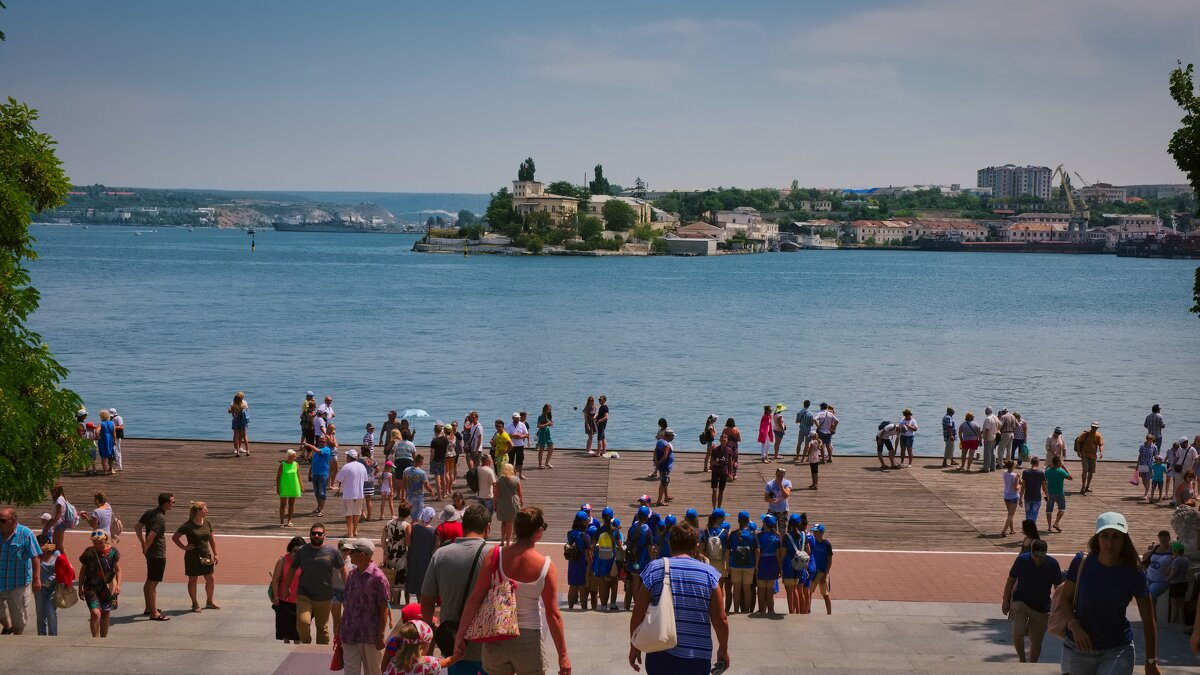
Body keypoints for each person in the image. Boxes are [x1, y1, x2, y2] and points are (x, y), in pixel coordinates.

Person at [455, 507, 571, 675]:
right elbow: (553, 614)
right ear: (538, 532)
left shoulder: (495, 556)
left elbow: (475, 599)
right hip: (528, 638)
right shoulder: (546, 566)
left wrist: (460, 635)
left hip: (496, 635)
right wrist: (563, 655)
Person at [1059, 512, 1159, 675]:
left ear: (1124, 540)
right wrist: (1074, 626)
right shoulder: (1081, 562)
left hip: (1117, 650)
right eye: (1105, 536)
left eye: (1116, 537)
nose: (1110, 543)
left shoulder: (1134, 572)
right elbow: (1064, 600)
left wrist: (1151, 661)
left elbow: (1148, 619)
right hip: (1077, 648)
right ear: (1097, 538)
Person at [629, 522, 729, 675]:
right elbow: (720, 619)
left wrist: (634, 645)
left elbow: (638, 612)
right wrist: (723, 648)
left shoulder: (655, 569)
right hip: (697, 656)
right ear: (696, 546)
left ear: (670, 544)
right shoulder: (710, 574)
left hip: (660, 652)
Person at [419, 503, 491, 675]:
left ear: (462, 526)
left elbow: (427, 600)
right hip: (489, 647)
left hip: (453, 646)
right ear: (488, 528)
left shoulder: (441, 555)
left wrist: (430, 630)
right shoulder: (495, 554)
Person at [284, 522, 347, 645]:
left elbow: (343, 569)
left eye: (319, 533)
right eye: (314, 533)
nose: (316, 535)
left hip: (325, 596)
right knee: (303, 622)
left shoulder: (332, 552)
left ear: (324, 535)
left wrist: (349, 588)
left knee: (322, 627)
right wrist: (286, 587)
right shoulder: (302, 551)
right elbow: (292, 569)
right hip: (304, 594)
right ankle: (306, 644)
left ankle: (321, 653)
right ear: (310, 535)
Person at [1002, 539, 1062, 663]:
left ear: (1046, 552)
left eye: (1041, 556)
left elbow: (1058, 587)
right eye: (1035, 556)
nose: (1038, 559)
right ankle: (1022, 660)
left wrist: (1059, 607)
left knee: (1036, 640)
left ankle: (1032, 664)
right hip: (1020, 602)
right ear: (1031, 552)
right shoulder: (1022, 560)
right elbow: (1011, 580)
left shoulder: (1053, 564)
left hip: (1042, 607)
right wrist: (1005, 600)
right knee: (1017, 632)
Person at [341, 538, 390, 675]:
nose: (349, 554)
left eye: (352, 551)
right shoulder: (352, 574)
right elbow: (348, 603)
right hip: (349, 634)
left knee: (373, 672)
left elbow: (384, 607)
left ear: (362, 555)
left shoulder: (379, 578)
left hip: (370, 636)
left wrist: (380, 635)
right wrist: (341, 628)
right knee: (350, 672)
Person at [172, 500, 221, 612]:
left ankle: (209, 601)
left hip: (205, 556)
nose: (207, 510)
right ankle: (195, 604)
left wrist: (216, 553)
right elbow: (175, 537)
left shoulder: (207, 522)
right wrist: (184, 547)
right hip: (192, 557)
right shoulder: (187, 525)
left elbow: (212, 539)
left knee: (210, 579)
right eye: (205, 509)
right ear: (198, 511)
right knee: (193, 579)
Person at [0, 508, 42, 635]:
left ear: (13, 521)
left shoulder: (26, 534)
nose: (0, 523)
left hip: (18, 584)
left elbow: (35, 556)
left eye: (2, 520)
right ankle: (7, 626)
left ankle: (17, 640)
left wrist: (36, 579)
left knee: (19, 621)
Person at [135, 492, 173, 621]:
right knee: (153, 583)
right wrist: (145, 547)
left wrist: (142, 544)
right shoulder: (160, 518)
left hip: (151, 553)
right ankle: (154, 613)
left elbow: (138, 527)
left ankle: (149, 607)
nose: (173, 504)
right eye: (172, 502)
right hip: (157, 553)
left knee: (149, 579)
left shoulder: (149, 512)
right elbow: (151, 536)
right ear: (166, 503)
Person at [77, 529, 120, 638]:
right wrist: (80, 587)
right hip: (90, 587)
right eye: (95, 543)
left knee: (105, 613)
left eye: (100, 543)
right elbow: (83, 570)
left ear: (105, 540)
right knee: (96, 613)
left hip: (107, 587)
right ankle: (95, 639)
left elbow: (118, 570)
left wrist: (118, 585)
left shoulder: (113, 552)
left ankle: (103, 638)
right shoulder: (89, 552)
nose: (98, 546)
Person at [33, 533, 73, 636]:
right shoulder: (35, 556)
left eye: (43, 544)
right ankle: (41, 636)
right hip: (39, 588)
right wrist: (41, 550)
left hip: (54, 587)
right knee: (40, 615)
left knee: (51, 611)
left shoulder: (56, 553)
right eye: (39, 545)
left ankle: (53, 636)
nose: (42, 547)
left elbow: (65, 565)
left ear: (48, 544)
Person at [272, 536, 306, 644]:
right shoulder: (282, 560)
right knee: (285, 636)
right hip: (284, 602)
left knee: (298, 636)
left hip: (300, 603)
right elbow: (276, 579)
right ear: (290, 550)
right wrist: (276, 596)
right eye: (295, 551)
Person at [726, 511, 756, 614]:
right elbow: (757, 550)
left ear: (738, 521)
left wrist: (728, 564)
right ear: (748, 521)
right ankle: (746, 610)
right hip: (749, 564)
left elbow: (727, 550)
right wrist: (756, 565)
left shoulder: (733, 534)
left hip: (735, 564)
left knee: (737, 589)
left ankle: (736, 610)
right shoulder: (752, 534)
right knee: (747, 589)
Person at [382, 504, 411, 606]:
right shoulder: (407, 525)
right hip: (400, 554)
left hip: (390, 553)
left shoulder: (389, 523)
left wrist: (386, 552)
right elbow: (407, 543)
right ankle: (396, 604)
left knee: (391, 578)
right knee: (398, 580)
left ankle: (391, 603)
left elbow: (383, 539)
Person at [405, 507, 436, 603]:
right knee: (423, 582)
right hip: (426, 559)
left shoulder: (413, 527)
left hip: (413, 558)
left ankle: (410, 603)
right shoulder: (432, 531)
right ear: (430, 518)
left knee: (413, 579)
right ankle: (421, 604)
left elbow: (408, 543)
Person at [754, 514, 784, 615]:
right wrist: (780, 568)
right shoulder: (777, 537)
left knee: (761, 589)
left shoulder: (759, 536)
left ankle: (762, 609)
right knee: (770, 589)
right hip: (773, 563)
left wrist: (756, 566)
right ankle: (771, 610)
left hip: (762, 562)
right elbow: (779, 555)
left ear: (765, 524)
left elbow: (757, 552)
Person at [337, 448, 369, 538]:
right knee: (356, 513)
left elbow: (339, 479)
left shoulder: (346, 466)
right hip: (359, 493)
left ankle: (350, 532)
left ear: (349, 457)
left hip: (348, 493)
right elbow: (366, 479)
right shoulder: (362, 466)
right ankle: (355, 531)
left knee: (348, 514)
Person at [565, 510, 592, 609]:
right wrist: (591, 566)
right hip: (582, 564)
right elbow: (588, 554)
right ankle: (584, 608)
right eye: (586, 520)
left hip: (572, 562)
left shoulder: (570, 534)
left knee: (572, 587)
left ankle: (570, 607)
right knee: (582, 588)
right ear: (583, 522)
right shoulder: (586, 537)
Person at [782, 514, 807, 614]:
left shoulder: (787, 536)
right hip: (799, 565)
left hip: (789, 565)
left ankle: (791, 612)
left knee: (789, 591)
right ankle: (798, 612)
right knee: (795, 589)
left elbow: (783, 553)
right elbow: (808, 550)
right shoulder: (803, 535)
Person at [302, 435, 334, 517]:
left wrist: (309, 445)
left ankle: (321, 510)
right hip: (315, 474)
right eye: (319, 441)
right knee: (317, 493)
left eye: (323, 441)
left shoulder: (326, 449)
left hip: (322, 474)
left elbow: (318, 451)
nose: (321, 443)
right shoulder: (316, 450)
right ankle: (319, 507)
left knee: (322, 493)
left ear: (326, 443)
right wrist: (310, 472)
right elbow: (313, 462)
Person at [1143, 530, 1174, 612]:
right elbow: (1144, 558)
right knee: (1152, 600)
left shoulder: (1172, 550)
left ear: (1169, 538)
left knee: (1150, 595)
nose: (1163, 539)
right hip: (1149, 577)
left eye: (1165, 537)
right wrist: (1151, 550)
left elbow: (1178, 559)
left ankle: (1152, 620)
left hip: (1161, 580)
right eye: (1161, 537)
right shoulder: (1156, 548)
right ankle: (1153, 621)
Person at [496, 462, 523, 546]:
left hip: (502, 501)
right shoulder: (516, 479)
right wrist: (521, 501)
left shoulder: (499, 479)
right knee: (510, 523)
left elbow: (496, 493)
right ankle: (508, 542)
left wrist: (495, 503)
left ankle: (502, 541)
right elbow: (520, 493)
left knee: (503, 522)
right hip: (513, 502)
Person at [1044, 455, 1072, 533]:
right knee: (1062, 508)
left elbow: (1044, 480)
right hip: (1059, 493)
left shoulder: (1048, 470)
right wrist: (1065, 468)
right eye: (1061, 462)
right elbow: (1070, 477)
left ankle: (1049, 527)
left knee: (1049, 510)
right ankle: (1056, 523)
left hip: (1049, 493)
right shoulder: (1061, 471)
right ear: (1058, 463)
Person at [1074, 422, 1104, 494]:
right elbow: (1078, 442)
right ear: (1091, 426)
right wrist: (1078, 451)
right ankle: (1083, 486)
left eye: (1096, 427)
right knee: (1085, 470)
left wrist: (1101, 452)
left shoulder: (1098, 435)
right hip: (1084, 455)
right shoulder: (1085, 434)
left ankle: (1088, 486)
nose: (1094, 428)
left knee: (1091, 472)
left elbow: (1101, 444)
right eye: (1093, 427)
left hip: (1093, 456)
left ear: (1097, 427)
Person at [810, 523, 833, 615]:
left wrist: (825, 575)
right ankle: (807, 610)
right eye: (814, 532)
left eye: (816, 532)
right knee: (809, 592)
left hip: (823, 572)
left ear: (822, 533)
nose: (814, 534)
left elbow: (830, 561)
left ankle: (829, 613)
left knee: (825, 594)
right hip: (814, 571)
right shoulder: (813, 542)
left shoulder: (827, 544)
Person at [278, 449, 303, 527]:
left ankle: (289, 520)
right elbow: (278, 477)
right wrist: (278, 487)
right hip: (284, 486)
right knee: (283, 504)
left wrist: (301, 485)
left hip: (294, 486)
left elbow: (298, 476)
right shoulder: (282, 464)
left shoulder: (296, 464)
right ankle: (282, 521)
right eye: (294, 456)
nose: (295, 457)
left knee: (291, 504)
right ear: (289, 456)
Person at [46, 483, 73, 556]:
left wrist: (51, 525)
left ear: (57, 491)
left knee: (59, 546)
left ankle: (67, 564)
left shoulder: (59, 501)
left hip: (59, 524)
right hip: (60, 524)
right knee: (56, 545)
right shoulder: (61, 498)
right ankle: (58, 561)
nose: (52, 492)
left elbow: (58, 515)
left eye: (53, 490)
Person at [1019, 457, 1046, 526]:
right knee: (1034, 514)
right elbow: (1044, 487)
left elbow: (1023, 487)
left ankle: (1028, 528)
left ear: (1031, 463)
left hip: (1027, 497)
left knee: (1028, 514)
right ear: (1038, 463)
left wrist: (1020, 499)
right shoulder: (1041, 473)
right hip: (1037, 498)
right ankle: (1031, 528)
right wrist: (1047, 496)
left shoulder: (1025, 472)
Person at [709, 429, 732, 508]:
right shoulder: (715, 450)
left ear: (727, 441)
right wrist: (716, 462)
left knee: (721, 491)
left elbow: (730, 463)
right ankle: (714, 508)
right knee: (714, 490)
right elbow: (711, 462)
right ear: (719, 440)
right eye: (722, 439)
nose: (723, 441)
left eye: (725, 439)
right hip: (715, 471)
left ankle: (719, 508)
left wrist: (730, 474)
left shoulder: (729, 450)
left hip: (724, 472)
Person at [505, 413, 530, 480]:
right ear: (513, 418)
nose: (517, 419)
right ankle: (511, 475)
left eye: (518, 418)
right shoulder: (509, 425)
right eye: (516, 418)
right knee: (510, 461)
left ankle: (520, 475)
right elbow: (506, 435)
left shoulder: (522, 425)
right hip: (511, 445)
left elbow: (527, 435)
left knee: (520, 460)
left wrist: (521, 436)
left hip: (520, 445)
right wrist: (514, 436)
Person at [654, 428, 675, 507]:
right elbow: (665, 456)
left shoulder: (659, 441)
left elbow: (655, 451)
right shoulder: (667, 445)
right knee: (663, 483)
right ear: (669, 436)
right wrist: (659, 463)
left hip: (661, 465)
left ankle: (666, 496)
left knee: (665, 481)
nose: (673, 437)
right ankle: (659, 501)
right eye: (672, 436)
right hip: (665, 466)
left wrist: (656, 461)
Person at [1000, 460, 1020, 537]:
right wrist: (1020, 484)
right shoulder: (1015, 475)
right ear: (1013, 467)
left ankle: (1012, 529)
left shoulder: (1004, 473)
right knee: (1011, 515)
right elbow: (1016, 488)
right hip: (1013, 496)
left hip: (1006, 495)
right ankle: (1004, 531)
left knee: (1009, 514)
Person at [1136, 435, 1158, 501]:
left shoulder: (1154, 447)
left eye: (1150, 439)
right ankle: (1147, 490)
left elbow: (1156, 456)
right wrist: (1137, 464)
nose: (1149, 440)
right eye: (1147, 438)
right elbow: (1140, 455)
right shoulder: (1142, 446)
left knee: (1147, 479)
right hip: (1142, 464)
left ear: (1152, 439)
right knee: (1143, 479)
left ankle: (1145, 494)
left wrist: (1157, 465)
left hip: (1150, 465)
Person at [229, 391, 250, 457]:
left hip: (236, 420)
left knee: (236, 435)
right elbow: (247, 410)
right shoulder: (244, 403)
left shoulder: (233, 404)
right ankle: (247, 451)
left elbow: (229, 411)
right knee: (244, 436)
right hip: (243, 421)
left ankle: (237, 451)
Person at [97, 409, 116, 475]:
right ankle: (112, 469)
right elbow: (114, 433)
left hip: (103, 440)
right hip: (110, 440)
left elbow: (97, 431)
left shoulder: (101, 424)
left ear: (102, 416)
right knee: (110, 455)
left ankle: (105, 471)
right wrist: (114, 441)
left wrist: (98, 437)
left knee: (103, 456)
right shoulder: (112, 423)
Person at [981, 406, 1001, 473]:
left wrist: (985, 438)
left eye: (985, 410)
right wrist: (996, 430)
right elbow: (1000, 425)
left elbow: (987, 429)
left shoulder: (988, 419)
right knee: (993, 453)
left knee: (987, 453)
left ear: (987, 411)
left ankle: (986, 468)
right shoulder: (995, 417)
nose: (985, 412)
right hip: (994, 436)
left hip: (989, 437)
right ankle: (993, 467)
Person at [537, 403, 556, 469]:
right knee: (542, 448)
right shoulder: (541, 416)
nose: (549, 410)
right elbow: (538, 426)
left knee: (551, 447)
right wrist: (547, 423)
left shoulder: (548, 416)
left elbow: (550, 424)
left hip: (548, 433)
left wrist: (551, 424)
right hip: (542, 433)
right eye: (548, 409)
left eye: (550, 409)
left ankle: (547, 462)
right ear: (545, 409)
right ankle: (540, 464)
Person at [108, 407, 125, 472]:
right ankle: (114, 465)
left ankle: (119, 466)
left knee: (117, 451)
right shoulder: (111, 418)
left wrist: (113, 427)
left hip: (117, 437)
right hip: (112, 437)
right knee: (113, 451)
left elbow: (121, 427)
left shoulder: (118, 418)